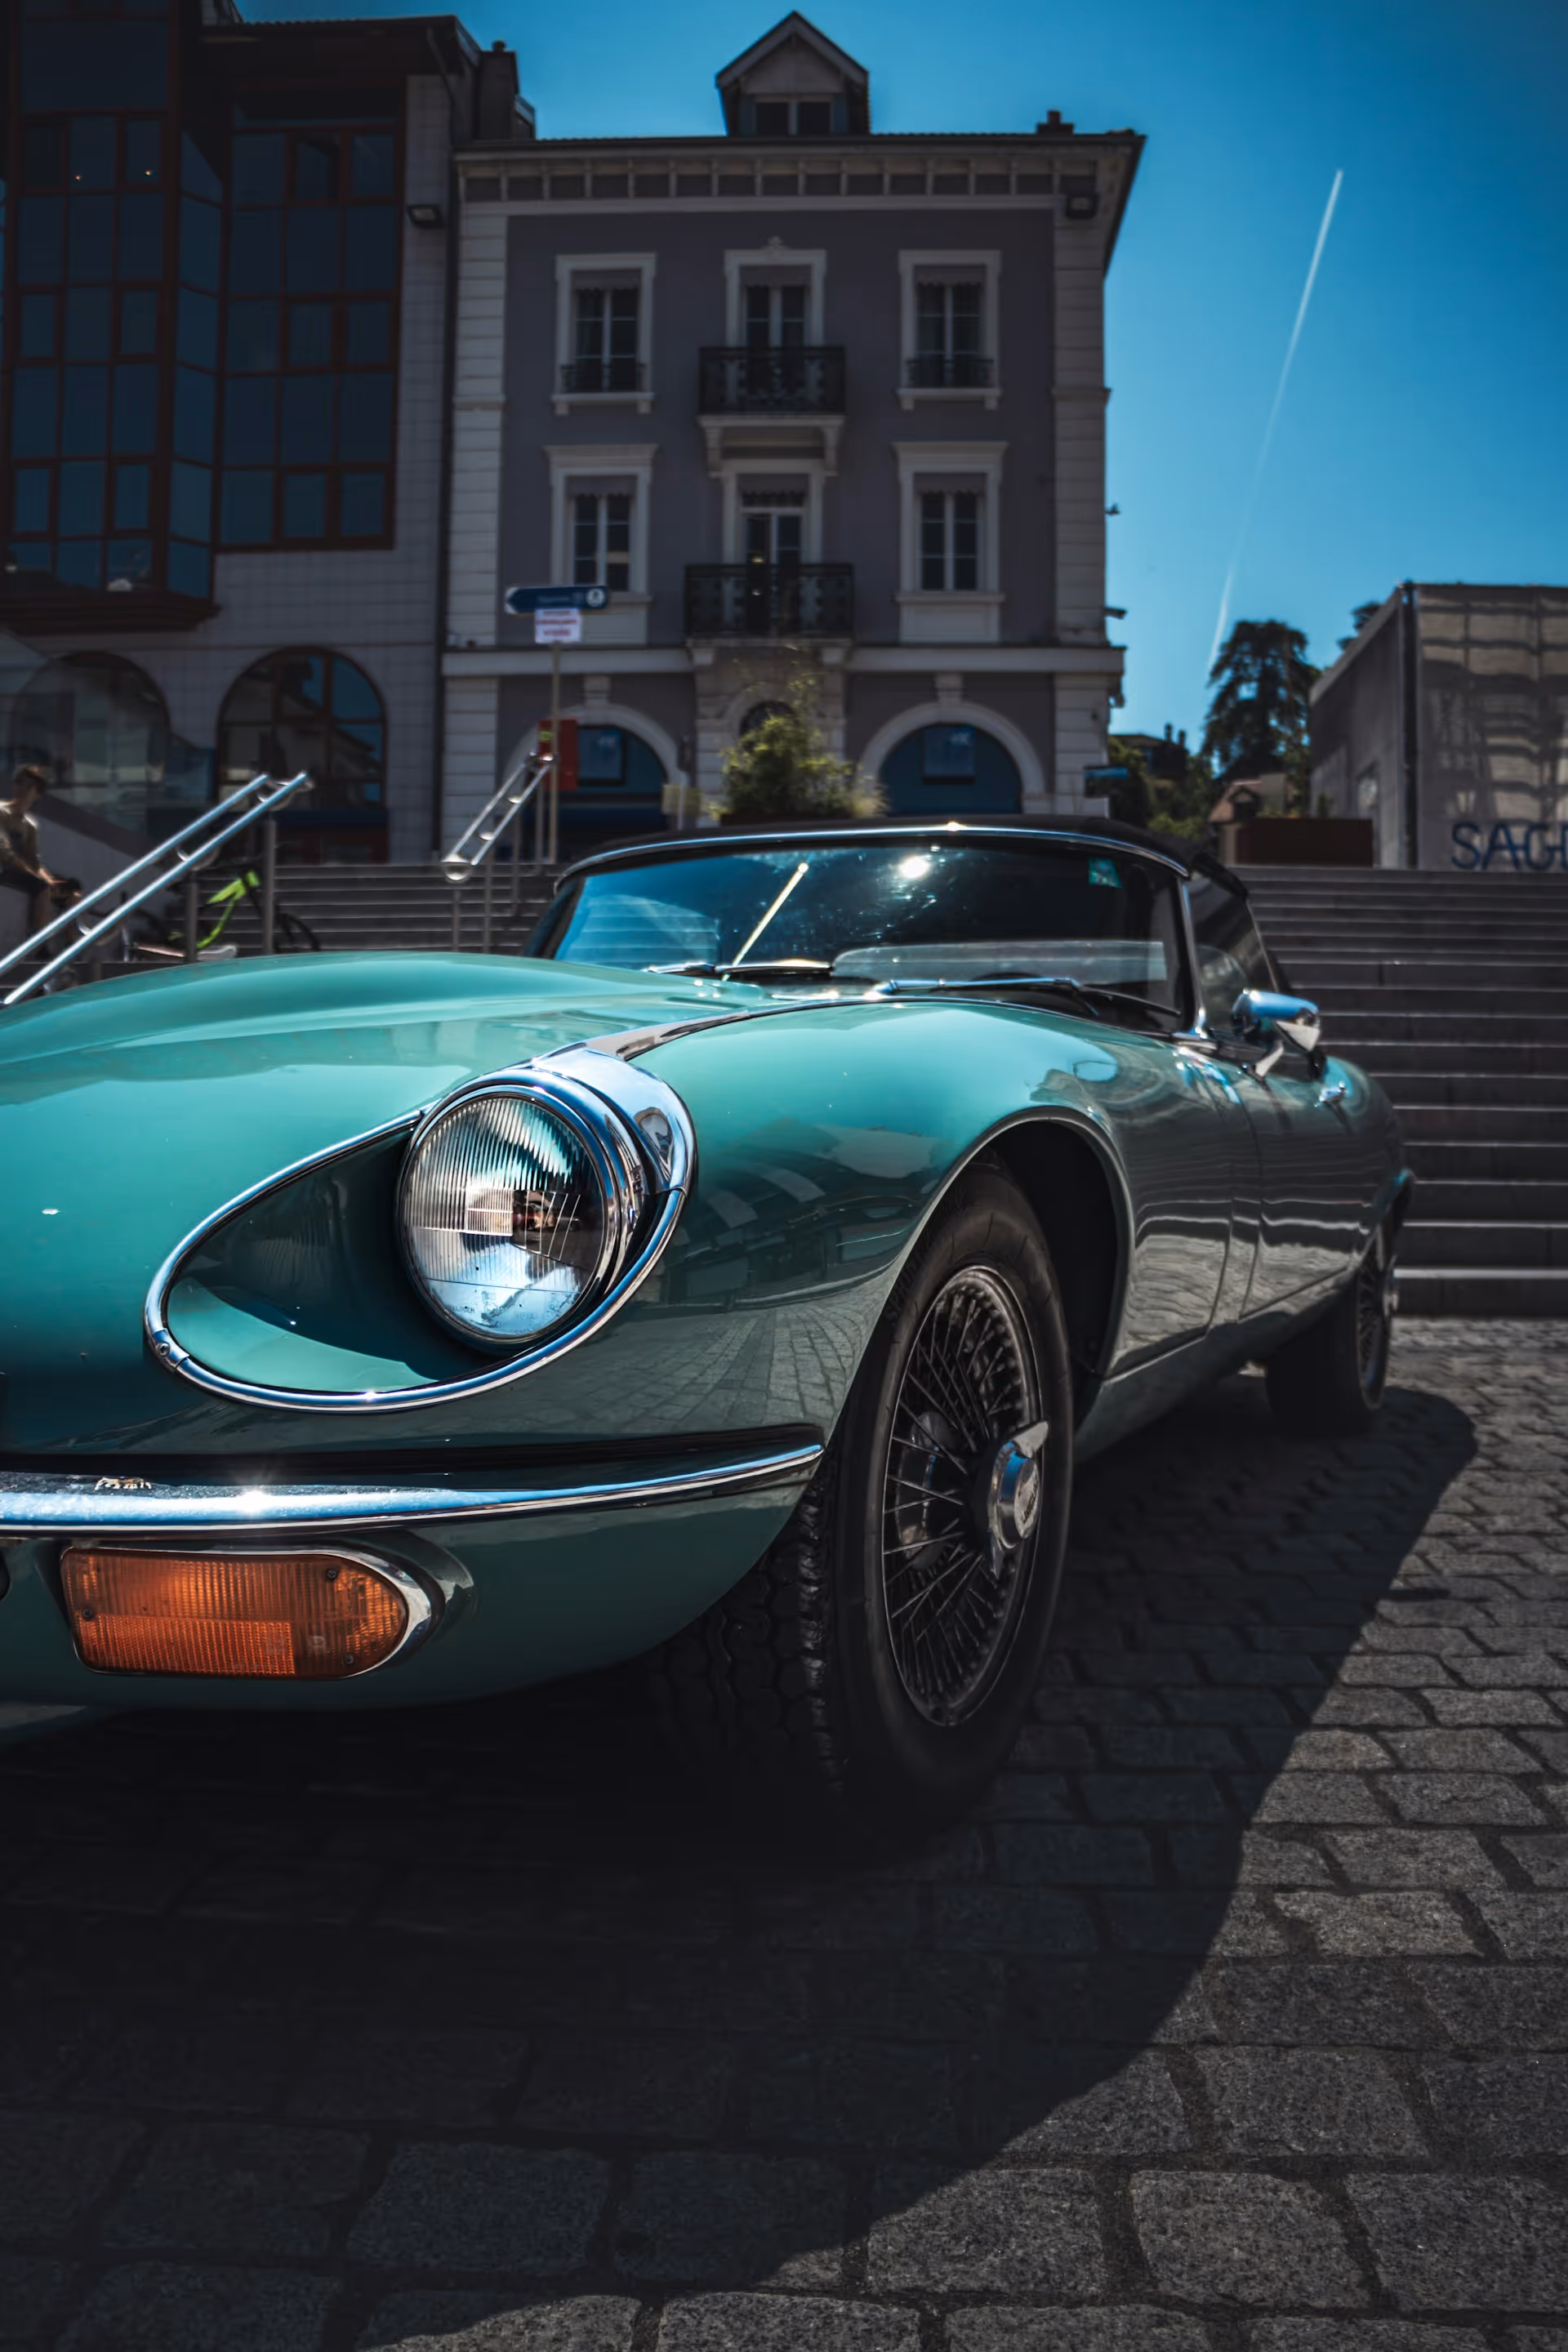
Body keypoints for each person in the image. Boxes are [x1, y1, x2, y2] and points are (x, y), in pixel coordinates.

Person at [0, 765, 79, 937]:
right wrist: (42, 881)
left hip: (18, 872)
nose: (22, 789)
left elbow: (33, 861)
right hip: (3, 870)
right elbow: (5, 854)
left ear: (37, 793)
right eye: (19, 782)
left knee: (71, 894)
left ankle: (72, 950)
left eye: (28, 786)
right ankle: (39, 944)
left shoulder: (29, 825)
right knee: (42, 887)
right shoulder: (2, 812)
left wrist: (51, 881)